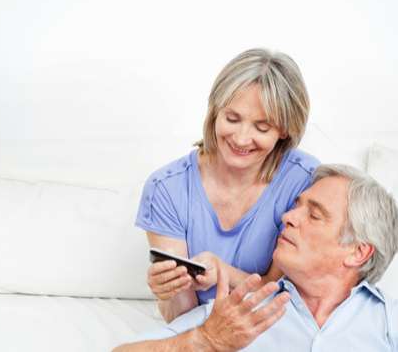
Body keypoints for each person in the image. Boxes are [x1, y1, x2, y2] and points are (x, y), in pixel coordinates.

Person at [116, 164, 398, 351]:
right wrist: (206, 339)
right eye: (296, 206)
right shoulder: (238, 313)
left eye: (315, 214)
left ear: (358, 251)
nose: (288, 217)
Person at [136, 48, 319, 322]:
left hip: (273, 328)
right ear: (215, 112)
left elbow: (290, 295)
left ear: (284, 130)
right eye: (232, 119)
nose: (242, 138)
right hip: (199, 331)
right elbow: (182, 315)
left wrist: (222, 271)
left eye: (262, 127)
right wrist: (169, 290)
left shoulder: (304, 182)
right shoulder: (166, 189)